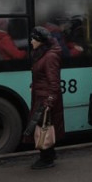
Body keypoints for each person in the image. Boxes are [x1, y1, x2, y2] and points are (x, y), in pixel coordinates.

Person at [28, 26, 64, 169]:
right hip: (41, 94)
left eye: (33, 39)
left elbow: (54, 82)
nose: (31, 41)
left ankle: (46, 159)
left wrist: (49, 101)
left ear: (40, 41)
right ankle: (49, 154)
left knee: (43, 126)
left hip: (45, 98)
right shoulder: (43, 53)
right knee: (45, 125)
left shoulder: (49, 56)